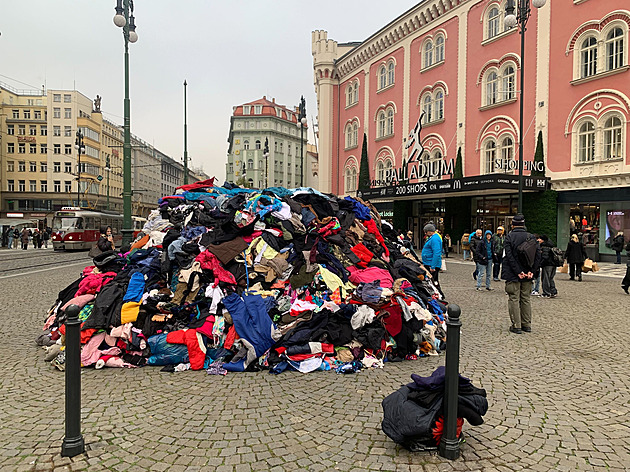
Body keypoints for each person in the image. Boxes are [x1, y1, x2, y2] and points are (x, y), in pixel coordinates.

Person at [501, 214, 541, 334]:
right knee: (526, 298)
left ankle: (516, 325)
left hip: (514, 274)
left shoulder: (509, 238)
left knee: (514, 298)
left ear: (512, 225)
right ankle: (526, 324)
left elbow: (509, 257)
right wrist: (532, 272)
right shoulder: (532, 237)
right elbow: (537, 256)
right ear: (524, 224)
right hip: (528, 274)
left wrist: (518, 272)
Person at [421, 223, 443, 293]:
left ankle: (438, 294)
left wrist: (433, 266)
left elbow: (436, 253)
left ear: (430, 231)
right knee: (432, 281)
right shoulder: (433, 238)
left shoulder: (435, 239)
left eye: (426, 232)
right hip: (429, 262)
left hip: (431, 263)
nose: (425, 233)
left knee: (433, 281)